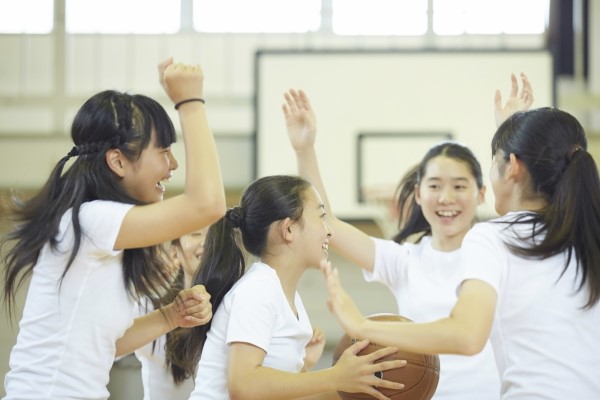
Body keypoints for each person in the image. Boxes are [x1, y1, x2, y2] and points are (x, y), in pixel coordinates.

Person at [320, 83, 600, 398]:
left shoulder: (492, 237)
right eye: (436, 185)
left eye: (495, 161)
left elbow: (467, 335)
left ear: (512, 168)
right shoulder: (587, 233)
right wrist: (515, 134)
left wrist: (362, 326)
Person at [1, 58, 227, 400]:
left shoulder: (105, 235)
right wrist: (190, 102)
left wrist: (171, 316)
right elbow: (207, 205)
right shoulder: (92, 219)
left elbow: (109, 343)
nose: (173, 164)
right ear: (118, 161)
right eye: (164, 150)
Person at [283, 87, 509, 400]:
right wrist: (304, 149)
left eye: (459, 186)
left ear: (481, 194)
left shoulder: (500, 250)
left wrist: (511, 131)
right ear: (418, 194)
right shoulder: (403, 260)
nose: (446, 198)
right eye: (434, 186)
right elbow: (329, 224)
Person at [178, 175, 407, 400]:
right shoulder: (257, 290)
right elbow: (244, 386)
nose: (329, 231)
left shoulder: (288, 297)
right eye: (321, 216)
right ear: (288, 229)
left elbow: (302, 395)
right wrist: (335, 376)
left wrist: (361, 385)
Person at [133, 227, 209, 400]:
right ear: (175, 253)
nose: (206, 242)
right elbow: (106, 346)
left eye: (213, 235)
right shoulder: (148, 308)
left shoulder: (230, 308)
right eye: (195, 234)